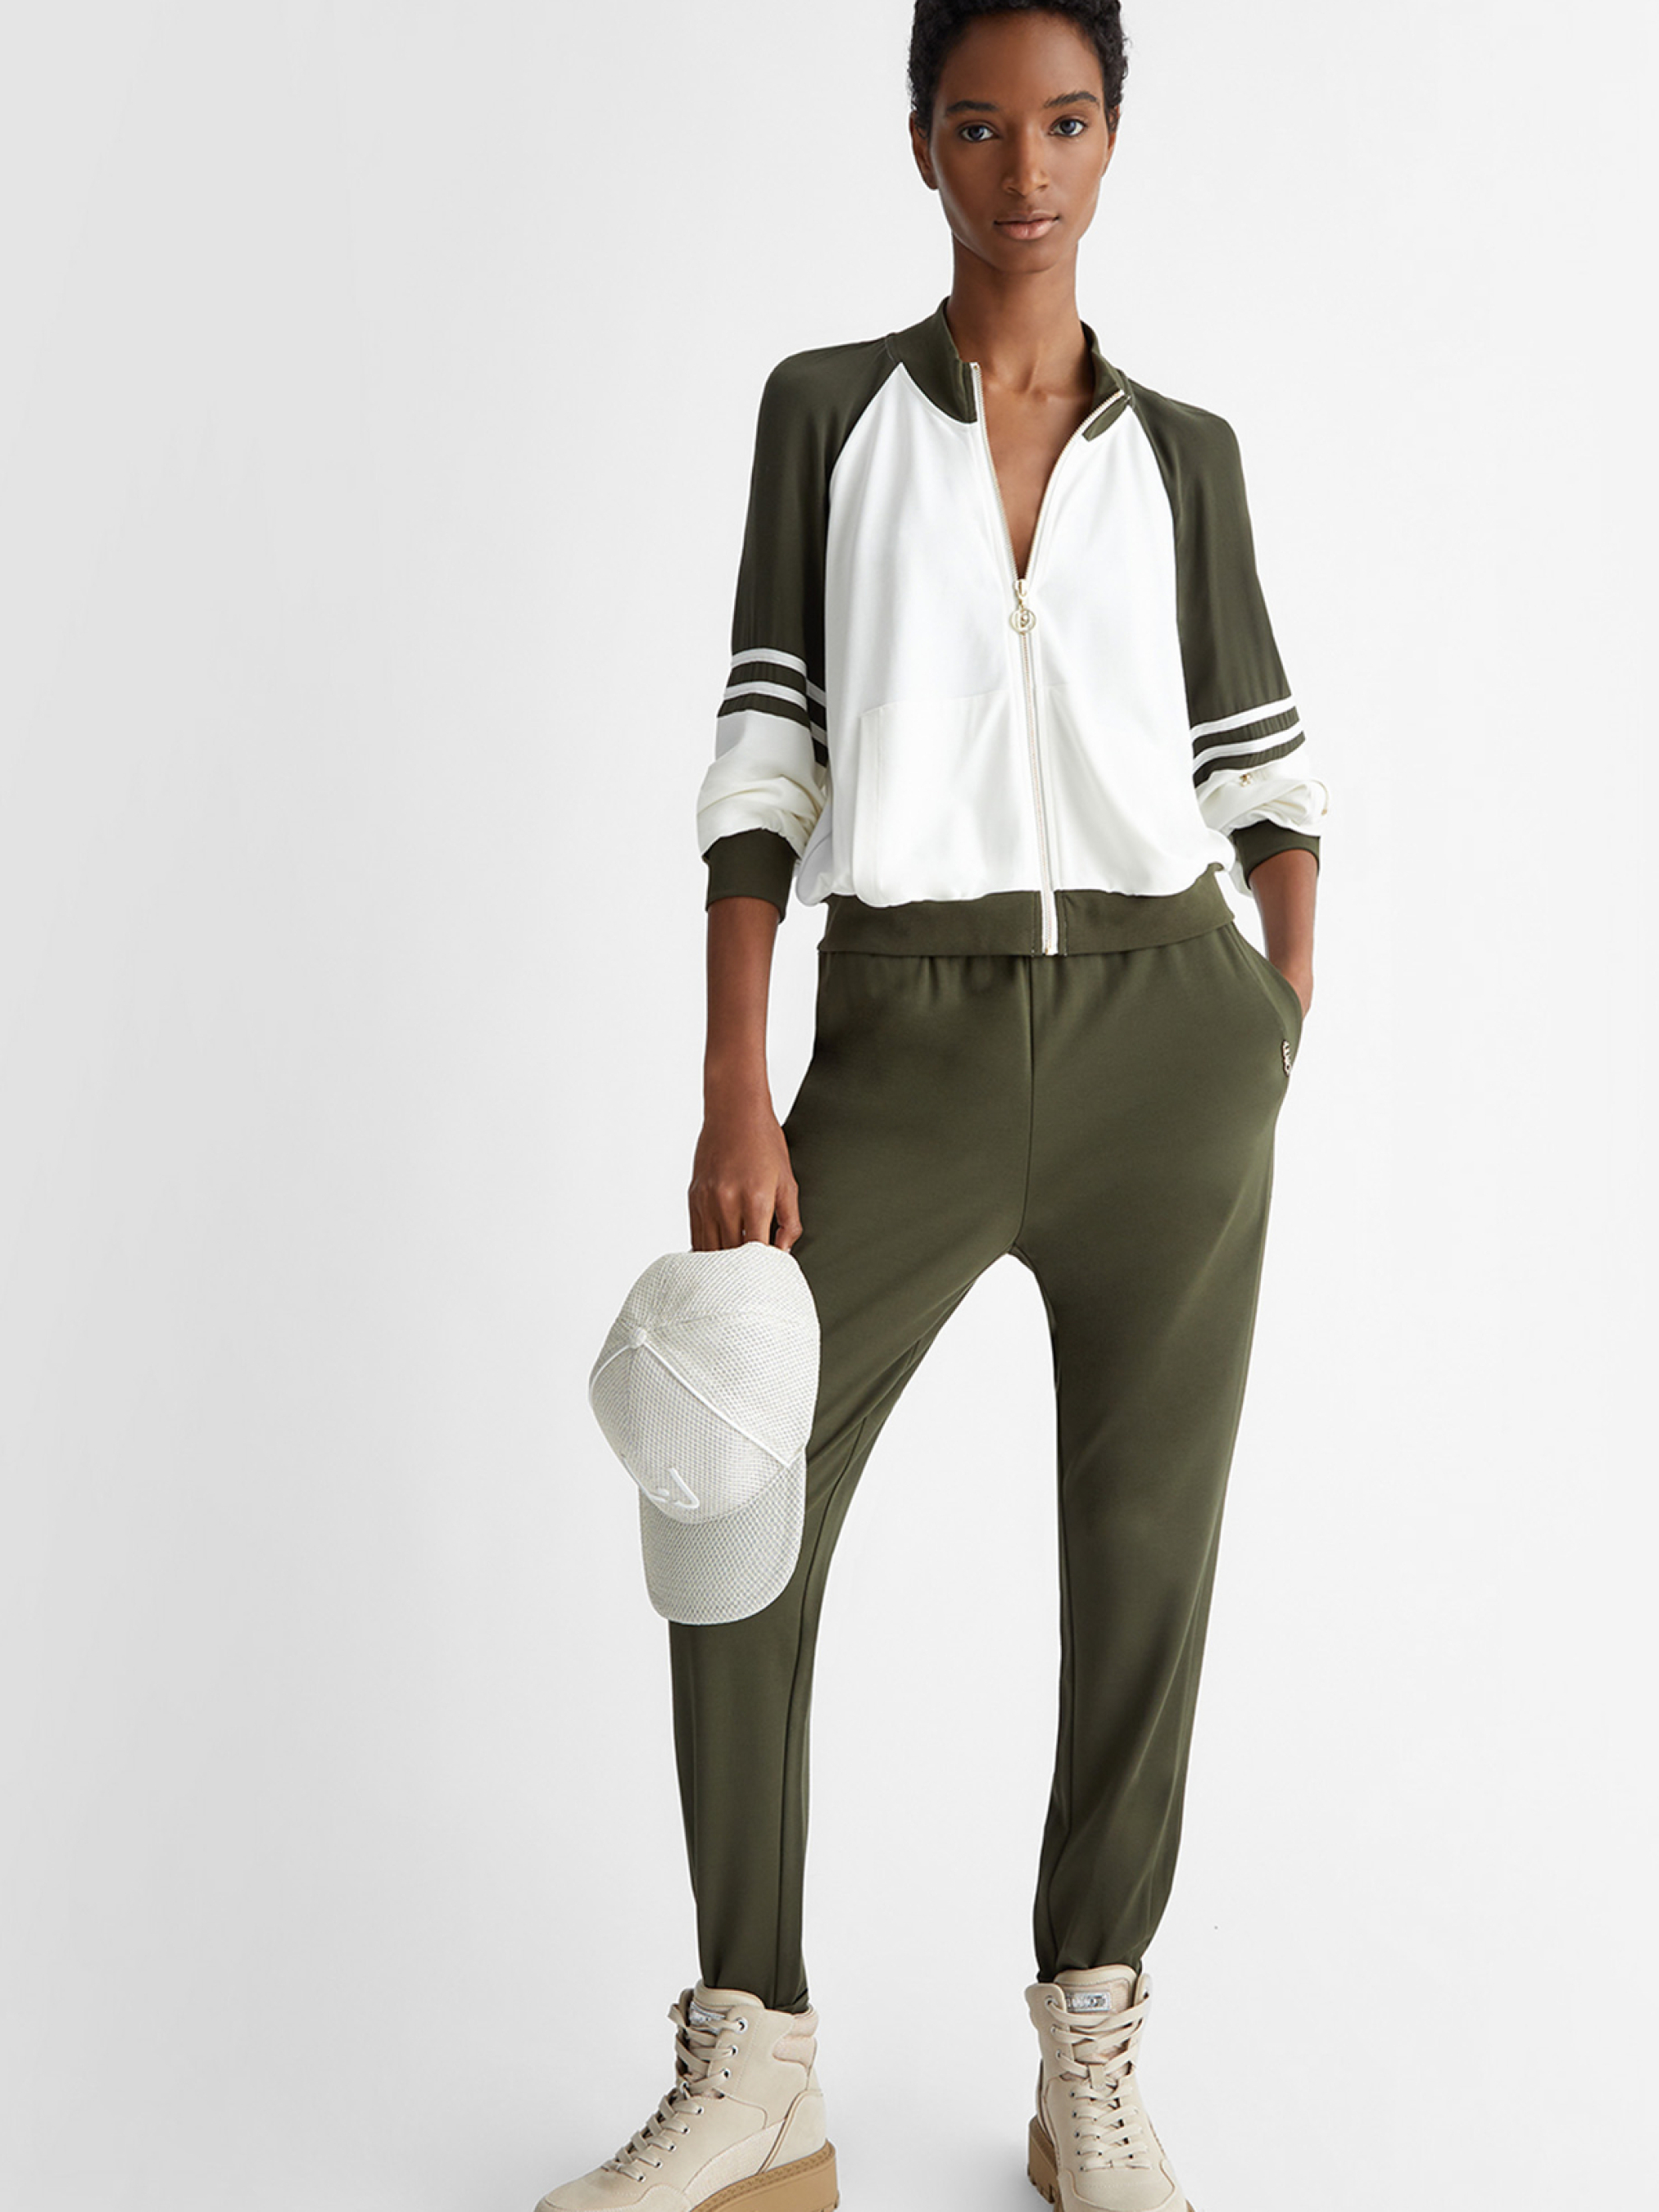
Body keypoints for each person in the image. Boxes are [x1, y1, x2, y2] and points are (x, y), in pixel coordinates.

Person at [537, 5, 1326, 2209]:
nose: (1024, 172)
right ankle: (757, 2057)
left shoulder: (1186, 455)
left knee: (1144, 1550)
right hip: (901, 1028)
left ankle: (1090, 2050)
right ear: (921, 146)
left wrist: (1270, 1015)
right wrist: (736, 1077)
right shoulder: (826, 417)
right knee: (724, 1481)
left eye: (1063, 122)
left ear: (1112, 136)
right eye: (980, 127)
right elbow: (762, 765)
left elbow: (1266, 769)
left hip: (1169, 1045)